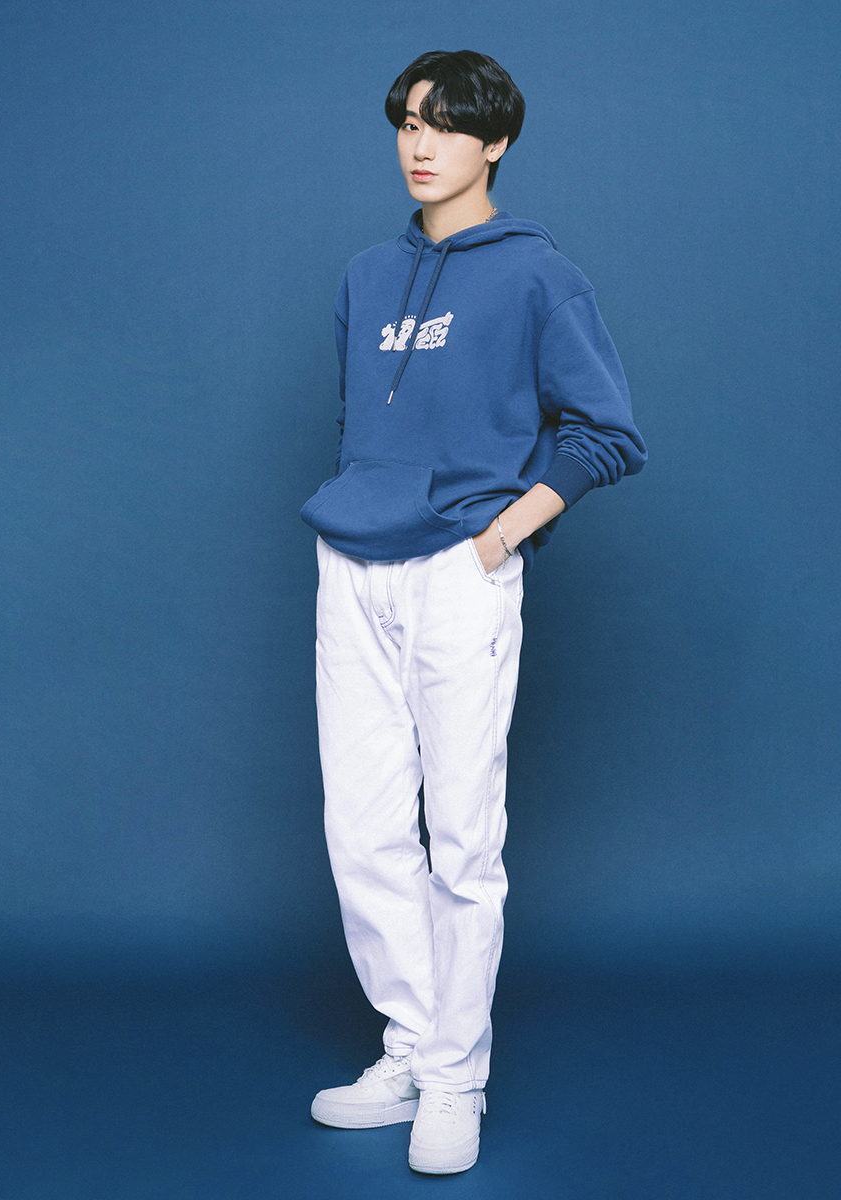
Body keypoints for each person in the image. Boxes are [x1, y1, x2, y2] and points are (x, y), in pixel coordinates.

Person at [300, 49, 646, 1175]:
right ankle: (410, 1047)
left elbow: (606, 433)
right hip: (351, 567)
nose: (419, 143)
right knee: (363, 831)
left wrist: (500, 535)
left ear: (494, 142)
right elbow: (362, 421)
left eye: (446, 124)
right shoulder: (365, 277)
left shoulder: (540, 277)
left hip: (459, 570)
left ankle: (456, 1079)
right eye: (407, 121)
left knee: (460, 836)